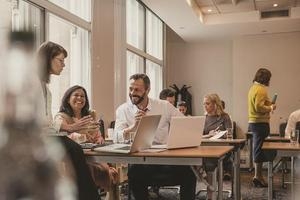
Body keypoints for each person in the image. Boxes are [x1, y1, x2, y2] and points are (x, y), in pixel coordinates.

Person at [114, 73, 196, 200]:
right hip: (141, 160)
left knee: (190, 175)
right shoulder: (123, 110)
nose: (132, 93)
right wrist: (133, 127)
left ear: (147, 90)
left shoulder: (164, 106)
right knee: (134, 174)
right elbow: (116, 138)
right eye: (130, 89)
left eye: (137, 90)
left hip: (166, 158)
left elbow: (184, 123)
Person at [37, 41, 100, 200]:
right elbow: (38, 119)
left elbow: (46, 120)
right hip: (36, 139)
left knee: (75, 150)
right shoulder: (34, 83)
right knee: (74, 150)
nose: (63, 65)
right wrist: (69, 128)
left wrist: (69, 128)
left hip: (45, 136)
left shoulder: (44, 87)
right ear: (47, 59)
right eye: (60, 60)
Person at [54, 85, 119, 199]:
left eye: (82, 96)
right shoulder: (61, 117)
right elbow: (64, 137)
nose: (79, 98)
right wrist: (83, 136)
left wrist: (99, 139)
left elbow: (98, 135)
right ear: (68, 99)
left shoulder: (89, 116)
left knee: (103, 168)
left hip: (91, 156)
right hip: (73, 159)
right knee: (89, 169)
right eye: (76, 95)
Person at [248, 68, 277, 187]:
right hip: (260, 123)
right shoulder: (261, 89)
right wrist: (270, 108)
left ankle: (258, 175)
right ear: (265, 78)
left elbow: (259, 103)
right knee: (260, 149)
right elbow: (258, 107)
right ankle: (257, 176)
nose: (269, 81)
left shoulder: (253, 88)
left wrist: (269, 103)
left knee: (257, 148)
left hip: (253, 122)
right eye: (269, 78)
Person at [202, 93, 233, 198]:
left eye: (207, 103)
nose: (205, 106)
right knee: (207, 160)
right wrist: (208, 135)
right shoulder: (204, 118)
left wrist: (220, 134)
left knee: (211, 161)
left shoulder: (224, 117)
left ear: (215, 104)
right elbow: (199, 136)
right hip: (207, 149)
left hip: (223, 149)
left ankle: (211, 192)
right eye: (204, 104)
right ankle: (210, 191)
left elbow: (230, 134)